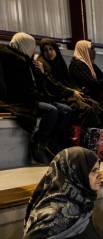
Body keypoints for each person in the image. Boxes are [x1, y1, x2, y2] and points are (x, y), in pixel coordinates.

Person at [0, 32, 71, 164]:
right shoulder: (14, 60)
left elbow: (39, 84)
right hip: (19, 100)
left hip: (35, 96)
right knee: (51, 110)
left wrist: (41, 73)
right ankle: (38, 143)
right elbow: (22, 88)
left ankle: (50, 142)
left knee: (66, 110)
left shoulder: (27, 60)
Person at [38, 38, 102, 130]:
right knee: (86, 109)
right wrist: (72, 92)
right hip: (56, 96)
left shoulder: (60, 62)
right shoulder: (43, 64)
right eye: (45, 50)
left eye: (51, 49)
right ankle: (78, 136)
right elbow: (54, 84)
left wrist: (77, 91)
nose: (49, 53)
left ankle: (96, 135)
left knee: (94, 104)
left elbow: (68, 81)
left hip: (66, 94)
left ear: (56, 49)